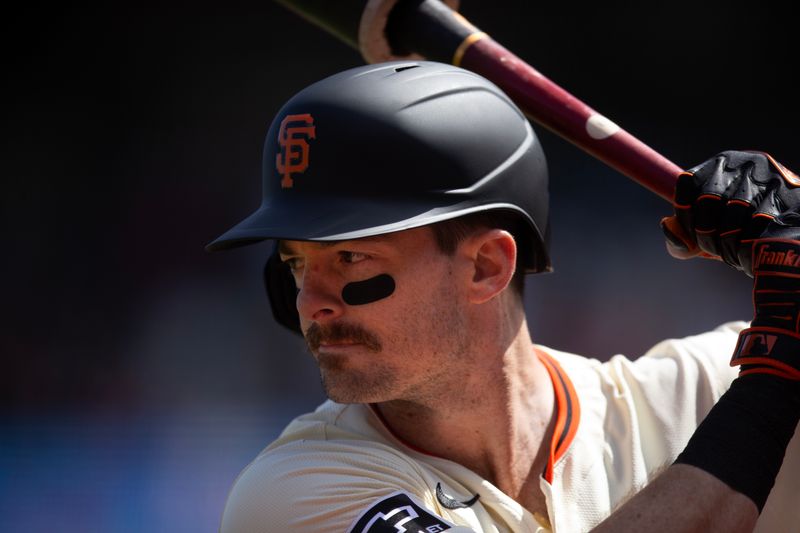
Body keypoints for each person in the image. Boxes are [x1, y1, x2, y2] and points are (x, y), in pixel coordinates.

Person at [207, 61, 799, 532]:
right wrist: (776, 373)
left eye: (349, 257)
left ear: (486, 266)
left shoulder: (692, 393)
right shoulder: (295, 490)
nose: (310, 303)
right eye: (295, 263)